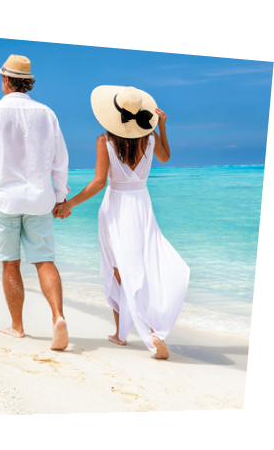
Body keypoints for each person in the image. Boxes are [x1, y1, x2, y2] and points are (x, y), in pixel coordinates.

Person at [53, 86, 190, 359]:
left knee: (118, 269)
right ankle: (142, 330)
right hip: (142, 206)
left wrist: (69, 203)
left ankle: (136, 332)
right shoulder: (150, 138)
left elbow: (98, 183)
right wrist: (162, 127)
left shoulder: (104, 140)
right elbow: (165, 157)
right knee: (144, 265)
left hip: (115, 208)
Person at [0, 54, 71, 351]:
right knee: (44, 260)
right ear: (27, 83)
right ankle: (58, 317)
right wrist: (60, 196)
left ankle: (17, 326)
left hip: (4, 199)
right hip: (40, 199)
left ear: (5, 80)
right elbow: (60, 160)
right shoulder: (47, 113)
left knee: (10, 263)